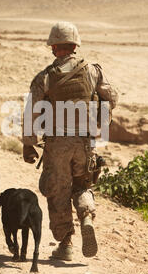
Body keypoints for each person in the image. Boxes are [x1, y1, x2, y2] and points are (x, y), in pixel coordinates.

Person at [22, 21, 118, 261]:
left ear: (54, 47)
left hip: (56, 145)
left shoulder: (44, 78)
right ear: (75, 45)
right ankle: (86, 216)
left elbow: (32, 111)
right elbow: (111, 97)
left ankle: (65, 244)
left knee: (57, 192)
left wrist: (28, 143)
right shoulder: (93, 71)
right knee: (82, 185)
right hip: (85, 143)